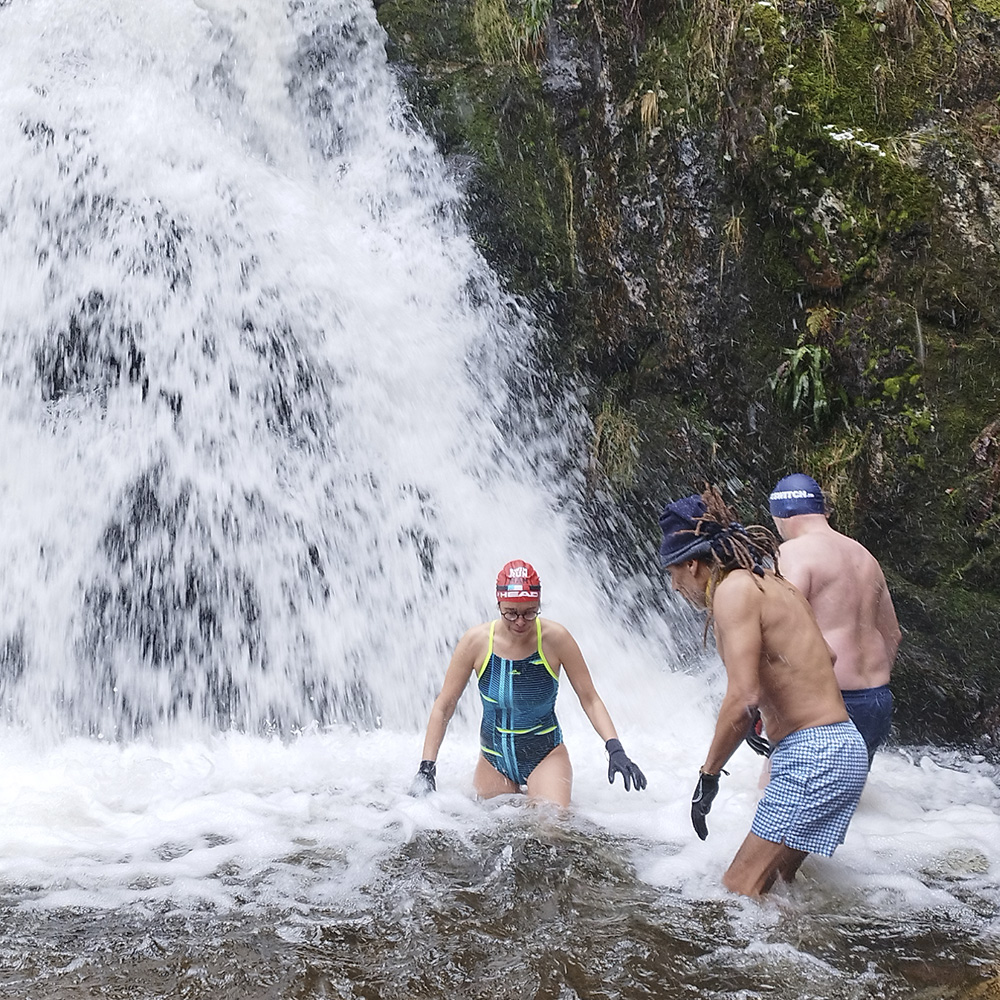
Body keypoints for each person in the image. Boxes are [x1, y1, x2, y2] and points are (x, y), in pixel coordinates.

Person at [659, 486, 868, 897]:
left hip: (814, 754)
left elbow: (741, 699)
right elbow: (825, 657)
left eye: (673, 572)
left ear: (696, 565)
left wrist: (709, 776)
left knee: (738, 889)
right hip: (845, 746)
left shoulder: (733, 592)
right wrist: (775, 711)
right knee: (775, 890)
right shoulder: (776, 584)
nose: (674, 586)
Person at [410, 559, 646, 807]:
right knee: (488, 830)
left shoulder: (556, 639)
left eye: (530, 612)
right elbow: (444, 705)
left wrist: (615, 748)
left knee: (552, 826)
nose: (520, 622)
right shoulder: (475, 642)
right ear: (498, 604)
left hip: (546, 756)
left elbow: (590, 699)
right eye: (510, 613)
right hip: (494, 761)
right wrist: (426, 768)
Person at [768, 473, 902, 767]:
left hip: (827, 703)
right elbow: (893, 634)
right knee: (844, 803)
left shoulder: (793, 552)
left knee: (772, 797)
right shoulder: (864, 556)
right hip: (876, 701)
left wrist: (762, 704)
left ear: (781, 516)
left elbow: (779, 630)